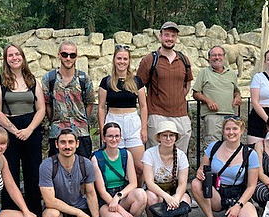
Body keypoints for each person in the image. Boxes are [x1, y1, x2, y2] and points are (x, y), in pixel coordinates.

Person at [0, 43, 45, 217]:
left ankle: (35, 212)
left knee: (33, 172)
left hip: (31, 129)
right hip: (8, 131)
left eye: (17, 54)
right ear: (6, 59)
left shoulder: (32, 80)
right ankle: (11, 214)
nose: (14, 58)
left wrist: (29, 129)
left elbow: (41, 109)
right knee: (10, 173)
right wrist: (14, 130)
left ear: (22, 57)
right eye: (10, 55)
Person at [39, 129, 109, 217]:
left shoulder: (85, 164)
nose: (67, 146)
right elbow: (50, 201)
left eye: (70, 142)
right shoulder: (47, 165)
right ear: (56, 144)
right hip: (58, 209)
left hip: (80, 206)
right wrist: (78, 213)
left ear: (77, 144)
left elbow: (91, 193)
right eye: (63, 142)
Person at [191, 116, 259, 217]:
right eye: (227, 129)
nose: (231, 132)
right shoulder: (214, 147)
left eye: (235, 129)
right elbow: (202, 169)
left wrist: (238, 205)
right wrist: (200, 173)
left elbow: (251, 186)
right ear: (223, 131)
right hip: (216, 192)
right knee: (195, 183)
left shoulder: (250, 154)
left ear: (242, 130)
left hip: (238, 194)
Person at [137, 21, 193, 153]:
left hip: (180, 114)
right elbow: (138, 86)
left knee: (180, 155)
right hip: (157, 114)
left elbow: (187, 84)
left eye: (173, 35)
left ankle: (178, 175)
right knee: (156, 155)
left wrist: (176, 97)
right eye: (166, 35)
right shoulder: (150, 60)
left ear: (176, 38)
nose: (170, 38)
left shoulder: (184, 60)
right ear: (160, 36)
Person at [98, 44, 148, 185]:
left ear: (129, 61)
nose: (122, 61)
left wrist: (144, 127)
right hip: (113, 120)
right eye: (119, 58)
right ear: (114, 60)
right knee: (117, 165)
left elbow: (143, 106)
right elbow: (101, 107)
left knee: (140, 167)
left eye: (125, 58)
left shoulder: (136, 81)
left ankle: (139, 195)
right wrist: (103, 129)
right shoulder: (106, 81)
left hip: (132, 122)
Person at [92, 123, 147, 217]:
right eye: (110, 136)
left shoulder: (126, 154)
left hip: (120, 195)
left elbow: (133, 183)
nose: (114, 139)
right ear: (104, 138)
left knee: (141, 195)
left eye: (117, 136)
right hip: (105, 200)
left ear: (121, 137)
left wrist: (118, 197)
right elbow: (101, 191)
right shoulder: (97, 158)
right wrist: (122, 211)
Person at [42, 40, 96, 158]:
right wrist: (55, 120)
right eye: (64, 54)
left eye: (72, 55)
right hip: (57, 133)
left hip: (81, 133)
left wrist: (81, 119)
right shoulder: (49, 78)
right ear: (59, 55)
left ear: (76, 57)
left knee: (83, 169)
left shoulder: (84, 78)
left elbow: (90, 102)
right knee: (57, 171)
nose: (68, 58)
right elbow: (47, 104)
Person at [142, 121, 191, 217]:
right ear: (159, 137)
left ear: (176, 137)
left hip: (173, 188)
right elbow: (149, 183)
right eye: (165, 135)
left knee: (185, 200)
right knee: (151, 198)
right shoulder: (149, 154)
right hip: (155, 189)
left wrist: (176, 199)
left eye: (171, 135)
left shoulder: (181, 155)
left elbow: (183, 183)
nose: (168, 138)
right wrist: (166, 197)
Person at [193, 45, 242, 143]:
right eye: (214, 55)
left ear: (224, 57)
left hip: (230, 116)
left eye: (220, 55)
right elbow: (195, 93)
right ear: (209, 58)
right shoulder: (204, 72)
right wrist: (208, 100)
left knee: (231, 146)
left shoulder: (231, 73)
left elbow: (236, 91)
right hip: (212, 116)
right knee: (213, 146)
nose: (217, 57)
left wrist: (238, 96)